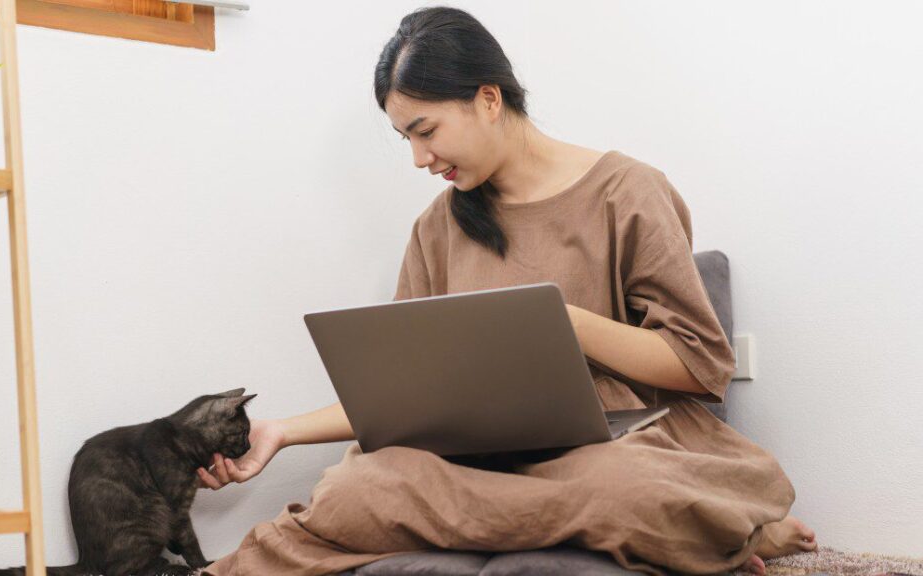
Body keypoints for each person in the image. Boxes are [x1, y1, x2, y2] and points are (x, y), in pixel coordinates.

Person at [197, 7, 818, 576]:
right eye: (406, 138)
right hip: (470, 458)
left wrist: (565, 323)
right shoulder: (437, 227)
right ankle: (701, 535)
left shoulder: (627, 190)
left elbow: (700, 364)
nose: (419, 157)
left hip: (607, 448)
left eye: (426, 129)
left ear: (488, 99)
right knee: (354, 491)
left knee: (625, 491)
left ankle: (696, 524)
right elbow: (400, 397)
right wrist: (281, 431)